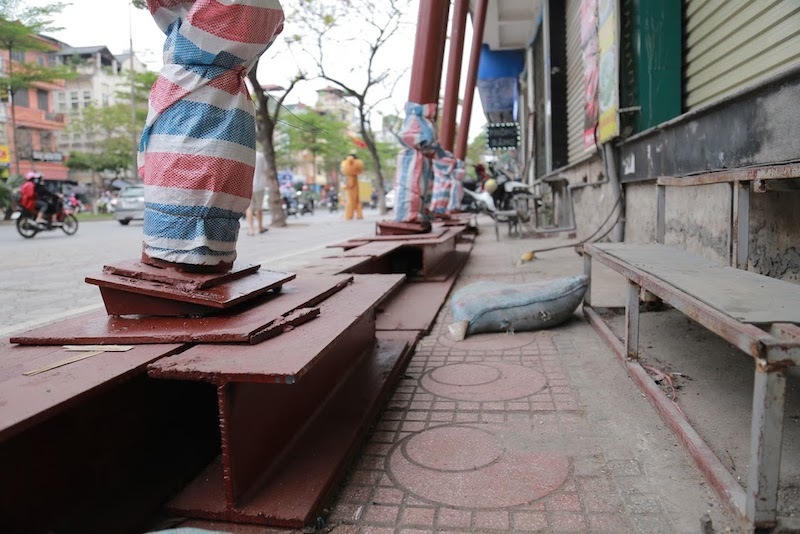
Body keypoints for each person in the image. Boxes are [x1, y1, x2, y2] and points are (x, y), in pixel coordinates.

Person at [245, 150, 268, 235]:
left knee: (249, 208)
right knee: (259, 207)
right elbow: (265, 169)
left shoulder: (245, 154)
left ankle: (251, 229)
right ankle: (260, 227)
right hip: (259, 185)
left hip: (248, 185)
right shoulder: (260, 156)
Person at [340, 153, 364, 220]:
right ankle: (359, 215)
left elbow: (350, 184)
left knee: (350, 203)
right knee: (358, 202)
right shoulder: (355, 175)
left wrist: (345, 187)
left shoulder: (350, 176)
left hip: (351, 192)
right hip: (356, 190)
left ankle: (349, 216)